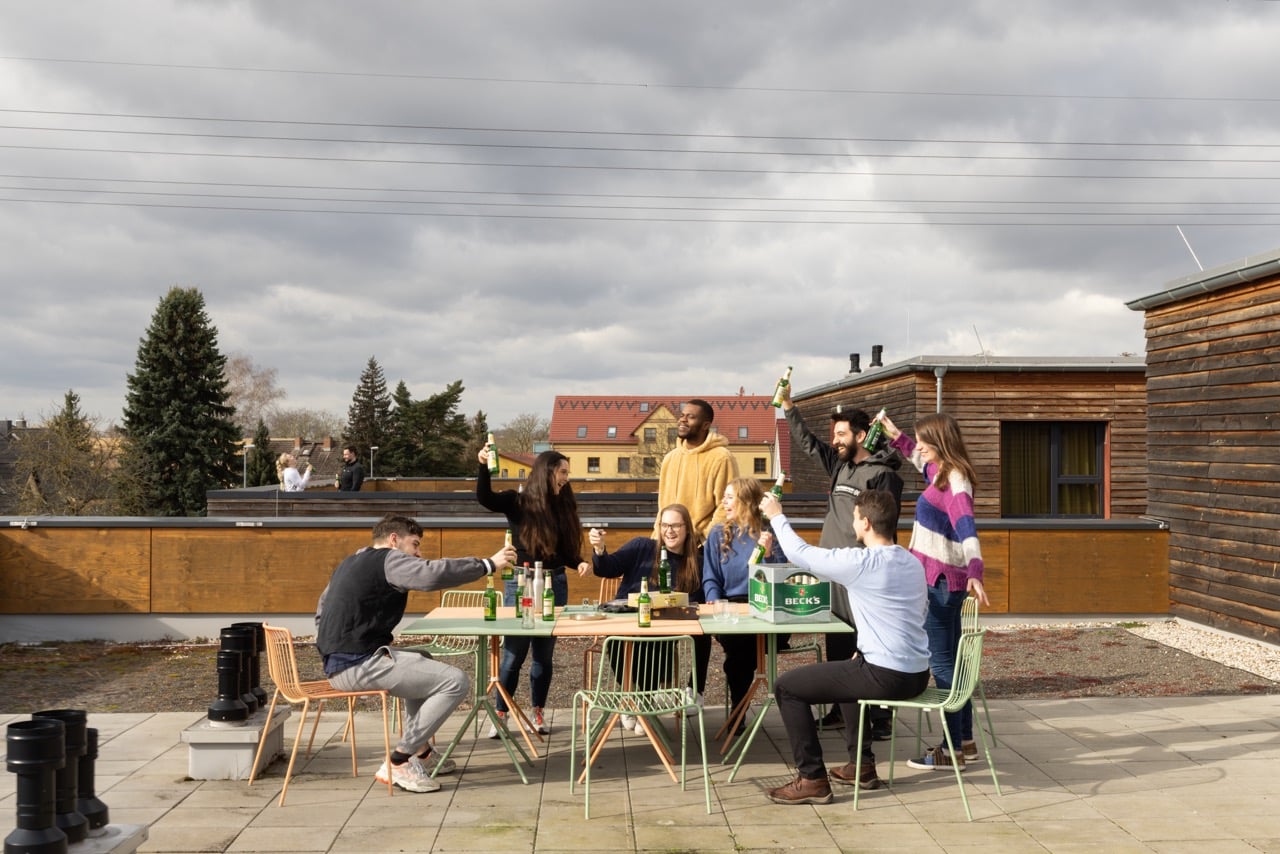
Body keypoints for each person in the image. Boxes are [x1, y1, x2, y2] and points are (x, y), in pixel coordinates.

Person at [315, 514, 516, 793]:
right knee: (455, 681)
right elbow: (432, 573)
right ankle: (399, 761)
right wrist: (487, 564)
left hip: (341, 661)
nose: (419, 554)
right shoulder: (389, 559)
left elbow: (322, 609)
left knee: (423, 658)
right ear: (394, 540)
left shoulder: (349, 562)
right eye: (415, 544)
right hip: (357, 664)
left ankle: (422, 751)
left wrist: (331, 644)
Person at [758, 488, 930, 804]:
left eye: (854, 518)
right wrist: (867, 647)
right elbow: (915, 615)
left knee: (787, 688)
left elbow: (801, 554)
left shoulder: (861, 562)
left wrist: (776, 515)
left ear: (865, 522)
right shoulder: (912, 563)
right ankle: (862, 767)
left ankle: (812, 779)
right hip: (917, 673)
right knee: (852, 672)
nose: (853, 524)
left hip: (887, 675)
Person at [780, 382, 904, 734]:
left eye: (840, 434)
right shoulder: (840, 465)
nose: (834, 440)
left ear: (861, 435)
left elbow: (884, 527)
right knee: (838, 639)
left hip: (863, 574)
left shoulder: (882, 474)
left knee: (869, 643)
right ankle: (841, 707)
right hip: (835, 570)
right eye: (834, 435)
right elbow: (808, 444)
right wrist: (789, 406)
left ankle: (879, 718)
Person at [878, 411, 989, 773]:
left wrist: (976, 569)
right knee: (954, 668)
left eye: (924, 441)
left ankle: (951, 749)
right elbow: (921, 464)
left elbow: (967, 527)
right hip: (943, 583)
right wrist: (896, 435)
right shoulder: (942, 473)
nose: (920, 447)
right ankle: (966, 742)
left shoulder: (955, 481)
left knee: (943, 668)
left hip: (941, 584)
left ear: (940, 442)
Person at [477, 448, 590, 738]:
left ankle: (537, 711)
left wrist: (578, 562)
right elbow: (485, 499)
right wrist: (482, 466)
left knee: (543, 656)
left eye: (567, 473)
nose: (566, 478)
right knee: (514, 654)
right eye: (563, 472)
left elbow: (563, 551)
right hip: (521, 583)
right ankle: (501, 714)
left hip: (554, 584)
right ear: (547, 471)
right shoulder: (518, 502)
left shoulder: (562, 505)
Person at [583, 503, 711, 729]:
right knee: (617, 642)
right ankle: (632, 698)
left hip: (664, 628)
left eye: (675, 525)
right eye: (665, 525)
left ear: (687, 529)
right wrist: (600, 550)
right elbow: (608, 568)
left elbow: (697, 604)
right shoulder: (642, 546)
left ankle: (647, 700)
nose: (669, 531)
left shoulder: (695, 563)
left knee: (662, 643)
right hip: (627, 622)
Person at [702, 477, 783, 720]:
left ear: (746, 501)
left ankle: (739, 712)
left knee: (741, 654)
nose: (724, 502)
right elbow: (711, 577)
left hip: (767, 605)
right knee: (740, 651)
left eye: (730, 497)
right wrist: (714, 600)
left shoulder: (770, 532)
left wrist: (768, 555)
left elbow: (782, 577)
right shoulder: (717, 534)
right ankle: (739, 711)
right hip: (732, 608)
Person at [655, 399, 739, 541]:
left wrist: (708, 539)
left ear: (705, 425)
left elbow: (727, 505)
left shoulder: (721, 458)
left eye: (691, 417)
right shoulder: (670, 458)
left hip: (699, 546)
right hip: (666, 542)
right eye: (682, 415)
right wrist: (657, 535)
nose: (683, 420)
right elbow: (662, 505)